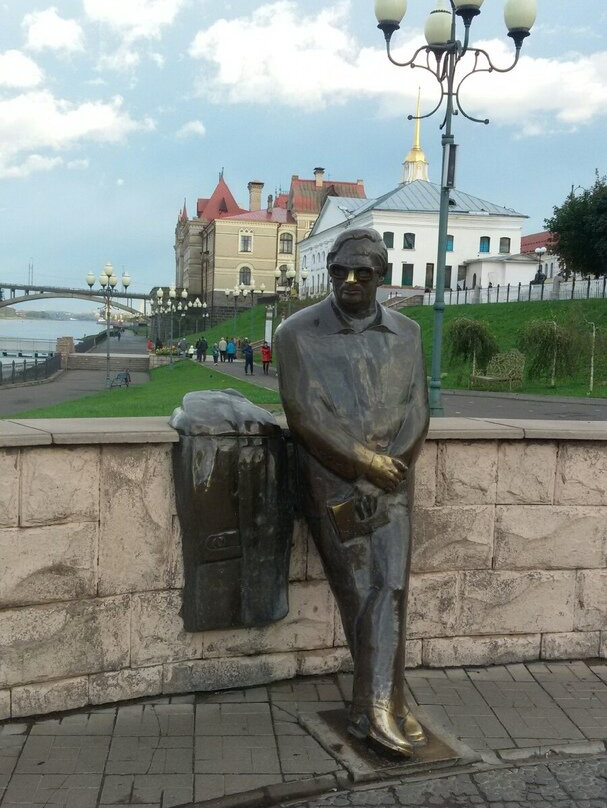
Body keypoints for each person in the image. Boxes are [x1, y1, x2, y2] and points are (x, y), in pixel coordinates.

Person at [275, 228, 429, 757]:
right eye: (340, 272)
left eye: (363, 273)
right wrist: (365, 463)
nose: (350, 282)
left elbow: (417, 408)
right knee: (362, 591)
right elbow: (304, 414)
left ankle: (382, 704)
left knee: (393, 590)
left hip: (393, 480)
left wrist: (395, 464)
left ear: (381, 276)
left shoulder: (407, 334)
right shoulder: (297, 332)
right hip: (332, 480)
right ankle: (379, 706)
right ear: (331, 271)